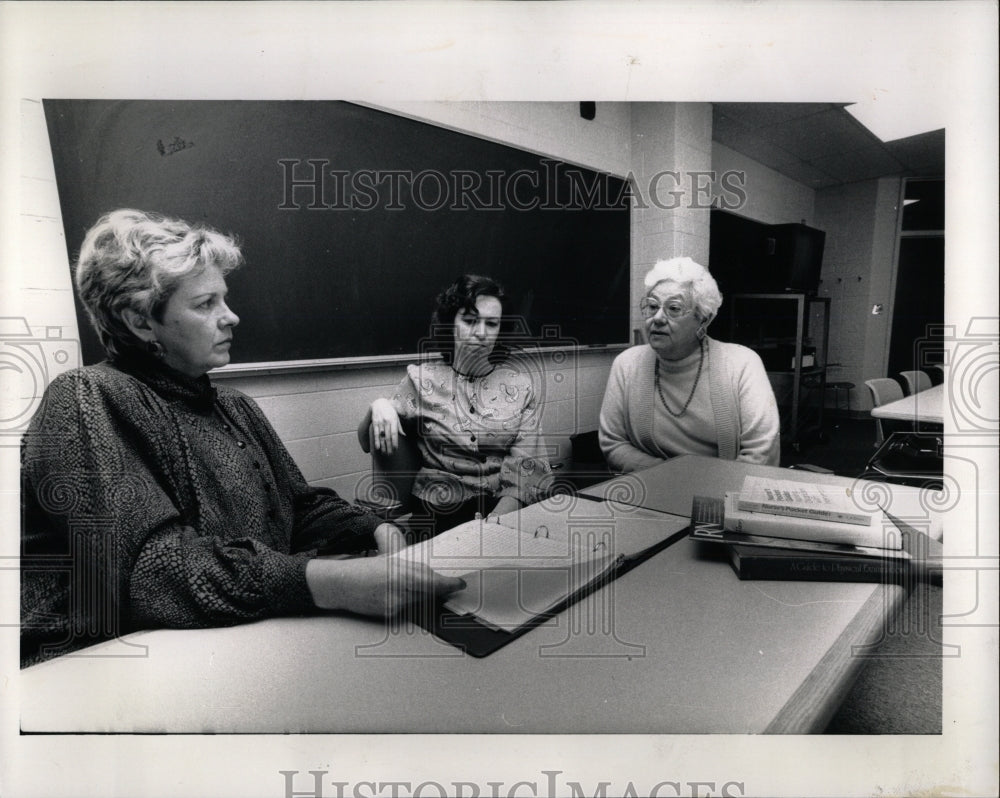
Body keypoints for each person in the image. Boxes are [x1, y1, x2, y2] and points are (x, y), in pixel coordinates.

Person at [20, 209, 463, 667]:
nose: (231, 316)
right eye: (205, 303)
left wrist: (376, 528)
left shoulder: (233, 406)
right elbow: (153, 575)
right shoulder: (84, 399)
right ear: (140, 322)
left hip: (228, 648)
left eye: (224, 299)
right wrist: (331, 583)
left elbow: (301, 508)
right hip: (98, 671)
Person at [368, 274, 552, 539]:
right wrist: (379, 405)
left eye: (491, 324)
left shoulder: (520, 386)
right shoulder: (420, 380)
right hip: (438, 510)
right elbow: (368, 441)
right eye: (469, 320)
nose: (480, 333)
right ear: (449, 324)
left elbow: (527, 470)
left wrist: (495, 526)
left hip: (501, 507)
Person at [599, 256, 780, 472]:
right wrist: (672, 477)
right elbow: (613, 443)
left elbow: (762, 452)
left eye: (673, 308)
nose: (657, 318)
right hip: (652, 487)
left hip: (722, 492)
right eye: (652, 306)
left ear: (703, 318)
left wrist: (708, 490)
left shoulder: (742, 364)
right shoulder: (627, 364)